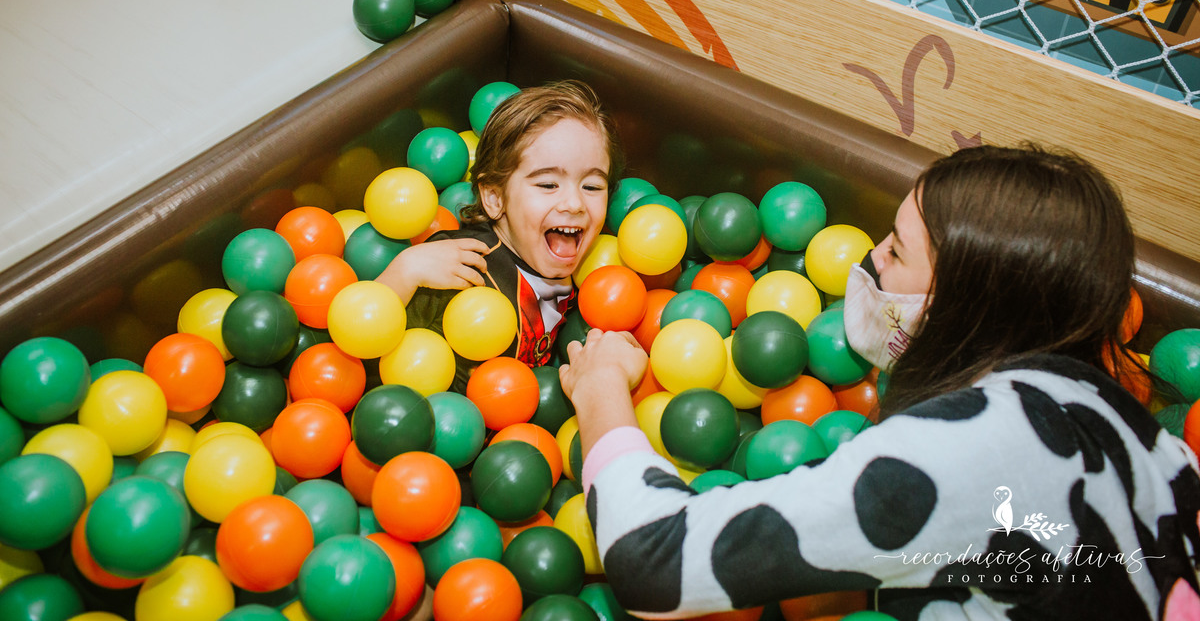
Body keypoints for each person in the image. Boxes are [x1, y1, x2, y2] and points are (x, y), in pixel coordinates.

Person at [560, 144, 1200, 620]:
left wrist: (601, 389)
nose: (870, 262)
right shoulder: (1143, 435)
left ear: (962, 304)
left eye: (895, 251)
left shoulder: (962, 451)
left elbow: (652, 559)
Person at [377, 80, 622, 388]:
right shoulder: (459, 266)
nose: (574, 204)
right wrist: (405, 270)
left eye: (592, 186)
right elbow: (364, 342)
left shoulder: (593, 269)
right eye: (548, 184)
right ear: (494, 198)